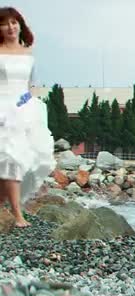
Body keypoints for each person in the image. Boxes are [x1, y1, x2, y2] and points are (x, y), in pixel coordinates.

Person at [0, 7, 56, 228]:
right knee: (10, 159)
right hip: (2, 108)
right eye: (5, 23)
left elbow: (31, 85)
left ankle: (5, 203)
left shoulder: (28, 54)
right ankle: (17, 214)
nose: (11, 27)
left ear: (20, 25)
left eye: (15, 22)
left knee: (27, 158)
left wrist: (27, 103)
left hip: (24, 107)